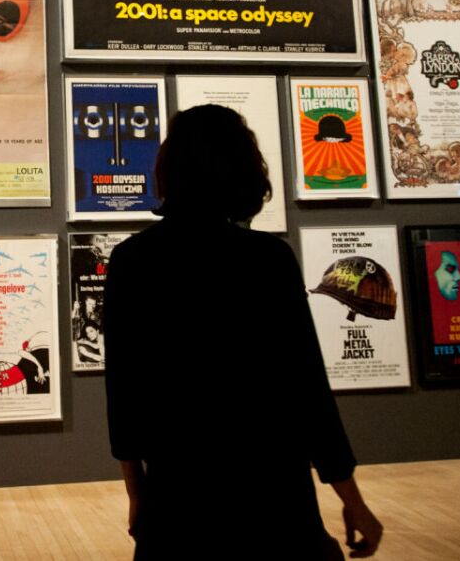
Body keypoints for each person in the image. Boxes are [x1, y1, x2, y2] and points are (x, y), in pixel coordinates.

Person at [104, 104, 383, 559]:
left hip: (178, 496)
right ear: (242, 169)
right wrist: (353, 501)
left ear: (168, 169)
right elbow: (308, 391)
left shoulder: (133, 260)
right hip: (272, 493)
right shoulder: (267, 260)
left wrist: (138, 495)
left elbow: (124, 395)